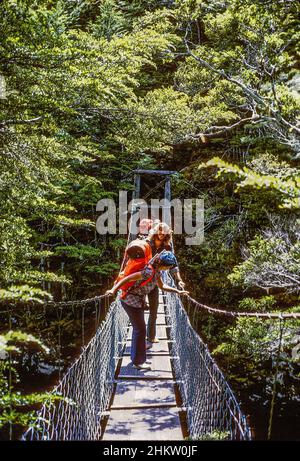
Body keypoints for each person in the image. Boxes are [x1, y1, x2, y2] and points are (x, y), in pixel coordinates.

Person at [105, 251, 189, 370]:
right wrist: (113, 290)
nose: (169, 268)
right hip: (130, 301)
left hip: (137, 301)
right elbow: (128, 278)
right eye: (169, 266)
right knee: (140, 330)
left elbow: (162, 286)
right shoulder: (148, 271)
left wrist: (178, 291)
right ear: (163, 264)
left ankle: (138, 358)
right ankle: (138, 362)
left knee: (139, 329)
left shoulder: (157, 271)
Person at [145, 222, 186, 344]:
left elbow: (174, 264)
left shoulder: (167, 247)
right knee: (138, 312)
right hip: (140, 280)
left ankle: (150, 336)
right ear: (156, 230)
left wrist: (179, 280)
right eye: (160, 230)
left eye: (164, 232)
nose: (162, 233)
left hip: (154, 279)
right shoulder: (147, 244)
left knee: (154, 310)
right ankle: (140, 340)